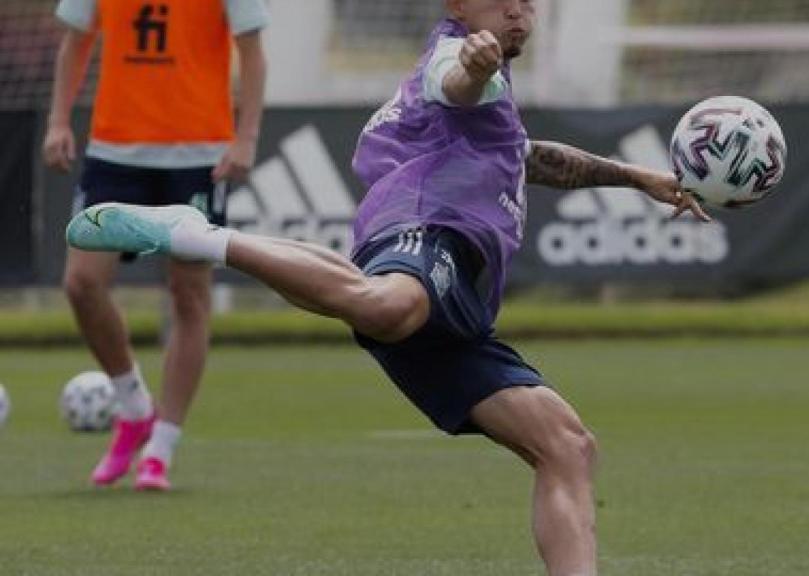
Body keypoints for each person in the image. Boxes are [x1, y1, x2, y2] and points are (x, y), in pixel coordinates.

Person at [66, 0, 708, 572]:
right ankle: (200, 236)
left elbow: (528, 156)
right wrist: (474, 64)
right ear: (458, 6)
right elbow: (454, 81)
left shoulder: (493, 105)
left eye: (526, 1)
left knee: (567, 446)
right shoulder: (452, 53)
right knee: (391, 306)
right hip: (427, 232)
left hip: (460, 314)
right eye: (500, 0)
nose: (517, 11)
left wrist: (635, 176)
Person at [43, 0, 268, 491]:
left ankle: (160, 449)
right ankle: (135, 406)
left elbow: (251, 50)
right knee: (81, 284)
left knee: (188, 296)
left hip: (199, 155)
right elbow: (75, 41)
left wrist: (246, 136)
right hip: (114, 152)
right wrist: (59, 120)